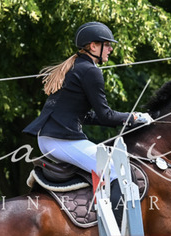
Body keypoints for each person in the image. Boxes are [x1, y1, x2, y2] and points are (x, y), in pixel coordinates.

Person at [23, 22, 152, 221]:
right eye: (107, 45)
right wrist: (134, 117)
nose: (110, 49)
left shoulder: (77, 66)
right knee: (118, 170)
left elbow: (87, 115)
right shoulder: (90, 71)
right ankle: (117, 227)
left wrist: (130, 118)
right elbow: (106, 115)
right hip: (60, 139)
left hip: (52, 137)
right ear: (93, 46)